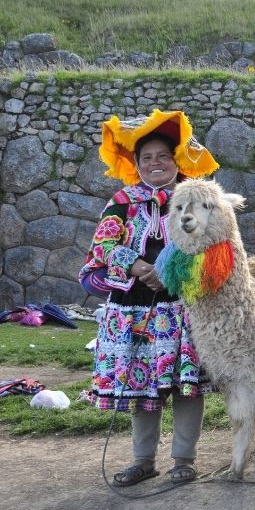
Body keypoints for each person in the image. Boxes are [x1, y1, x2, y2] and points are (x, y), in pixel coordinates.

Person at [79, 109, 219, 486]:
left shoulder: (196, 198)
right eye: (147, 158)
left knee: (184, 385)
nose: (155, 163)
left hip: (183, 307)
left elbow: (215, 246)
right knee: (141, 386)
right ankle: (143, 460)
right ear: (137, 164)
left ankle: (184, 460)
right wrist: (140, 266)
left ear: (176, 160)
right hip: (134, 312)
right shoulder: (122, 201)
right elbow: (103, 245)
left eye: (163, 156)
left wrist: (170, 271)